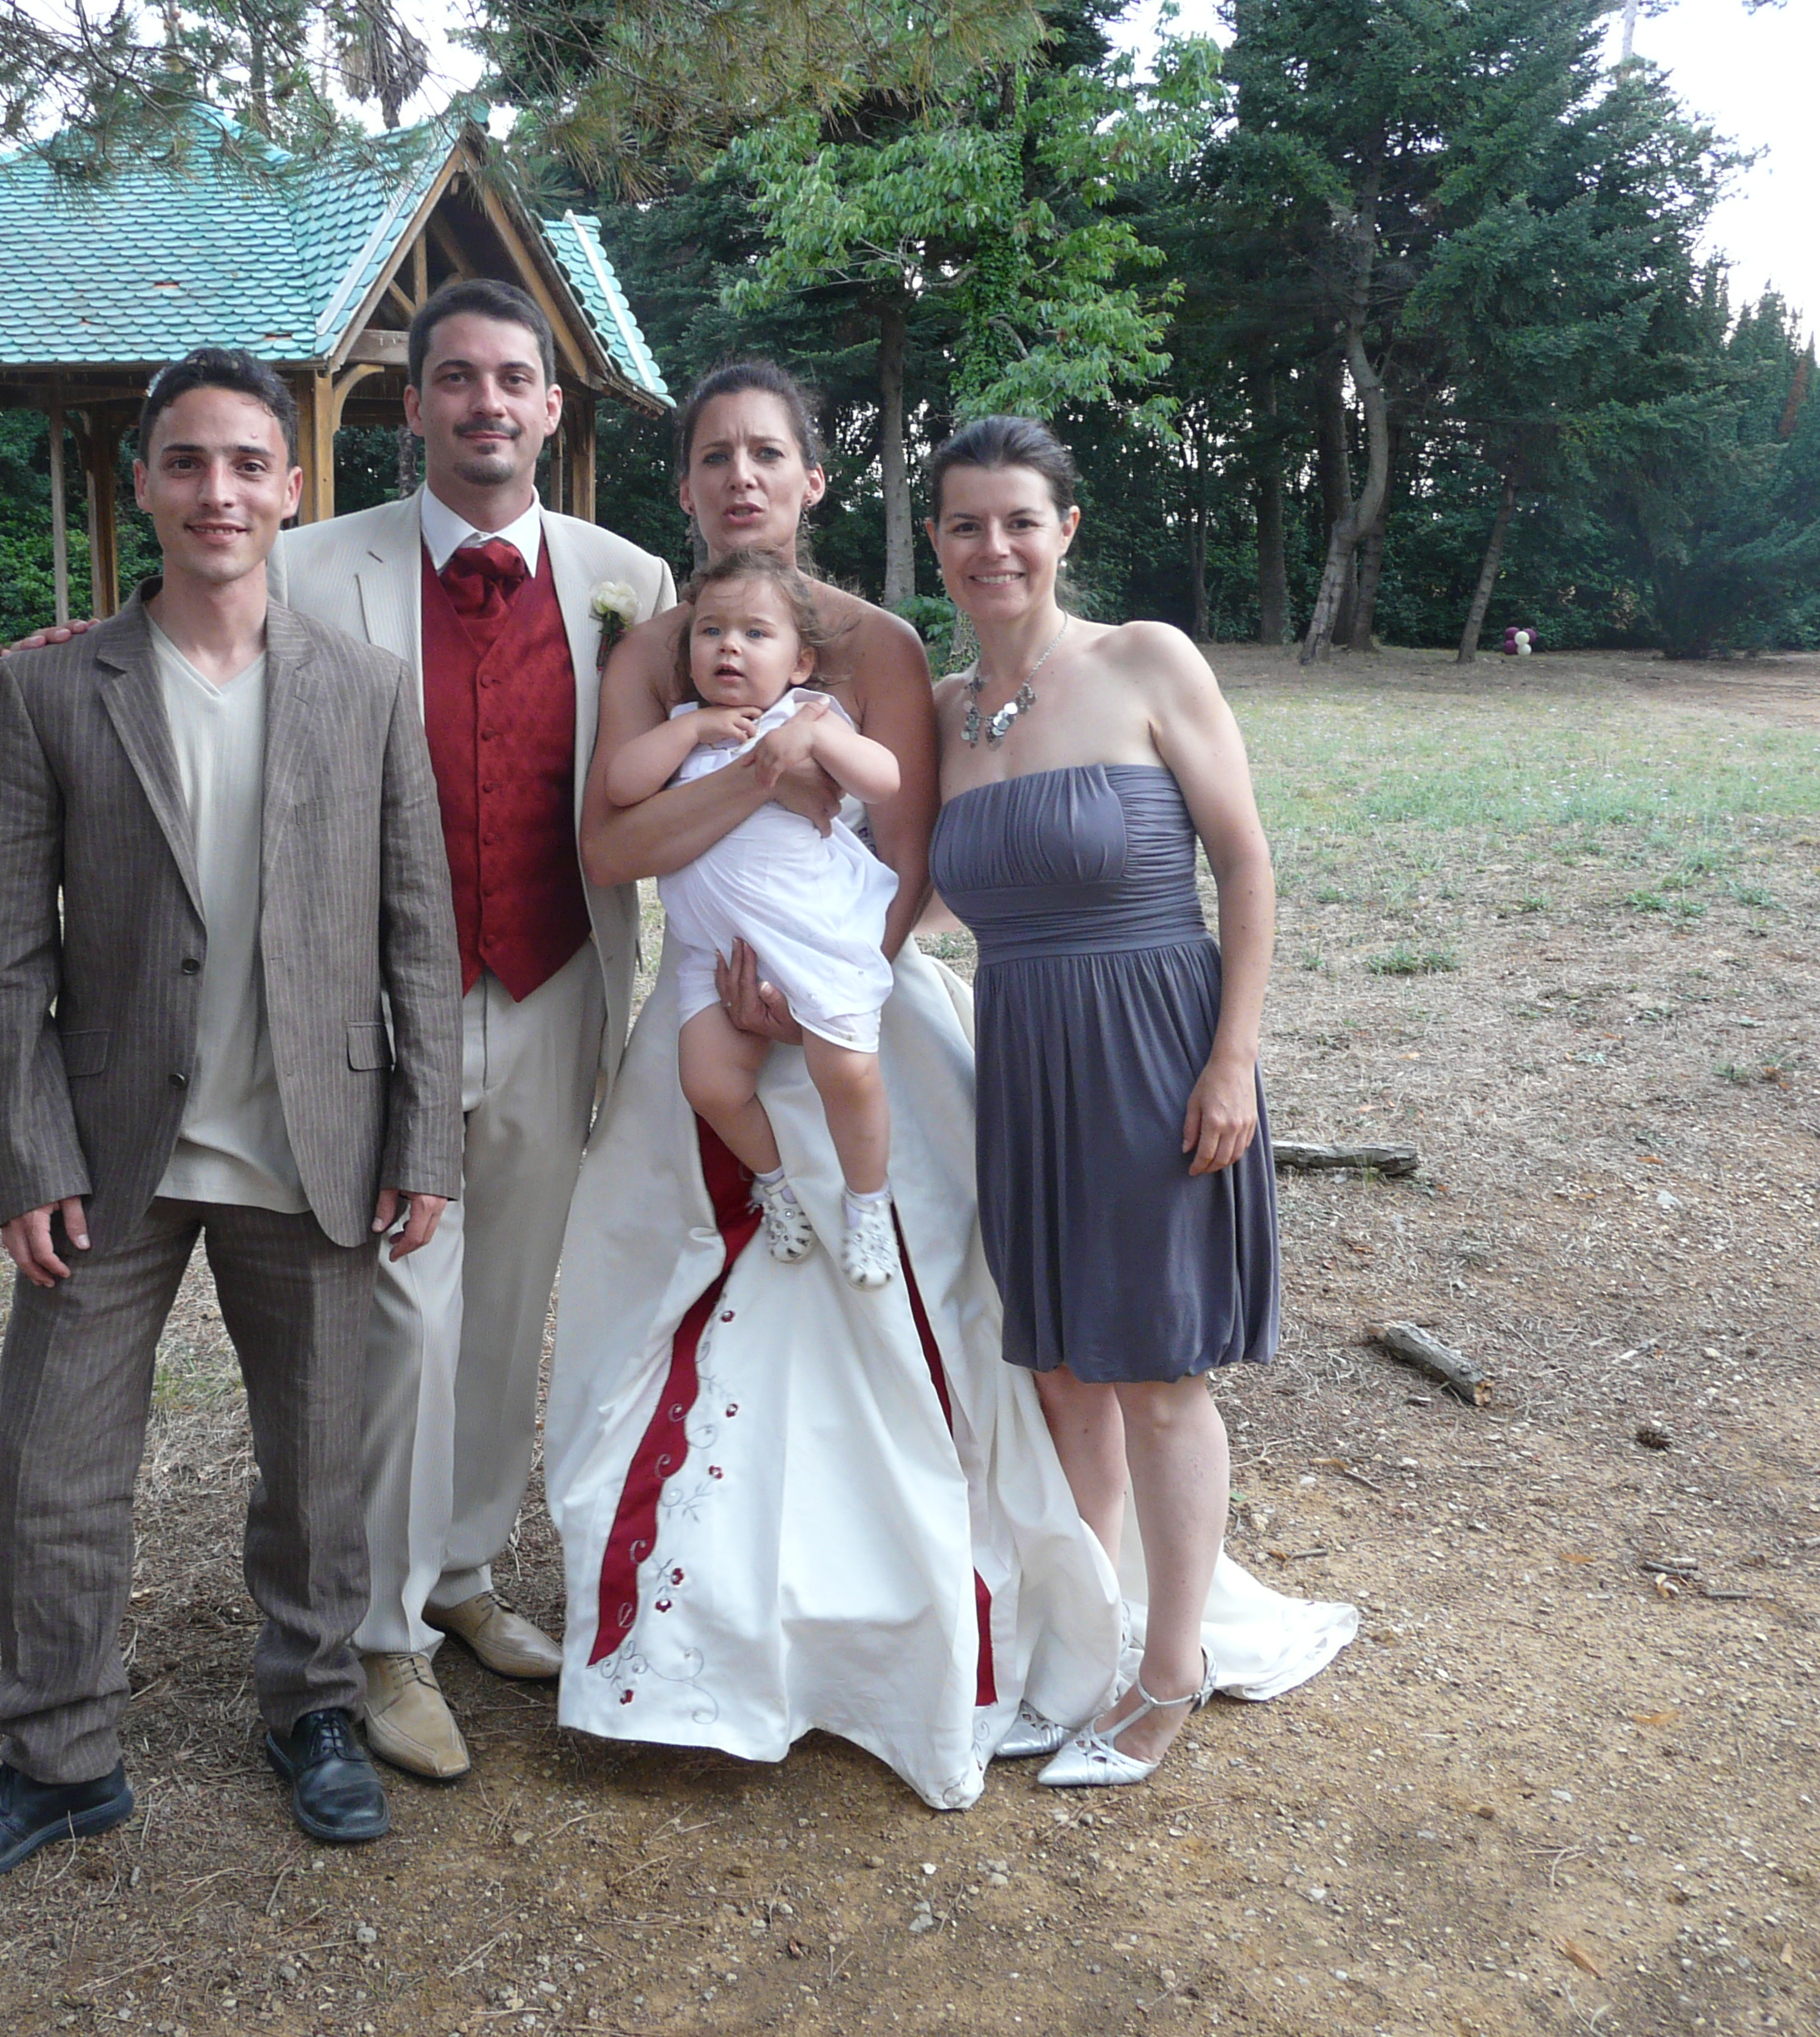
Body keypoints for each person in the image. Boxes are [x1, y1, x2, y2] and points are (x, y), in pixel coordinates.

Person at [547, 364, 1353, 1811]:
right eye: (715, 455)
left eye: (769, 452)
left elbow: (940, 861)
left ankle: (1135, 1657)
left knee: (1108, 1361)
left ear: (813, 480)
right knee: (1040, 1362)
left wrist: (830, 995)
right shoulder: (881, 692)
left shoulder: (987, 655)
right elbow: (673, 855)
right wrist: (759, 815)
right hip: (920, 1041)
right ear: (686, 485)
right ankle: (983, 1640)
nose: (741, 476)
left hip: (1019, 1026)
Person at [0, 348, 462, 1891]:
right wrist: (23, 1153)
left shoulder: (364, 688)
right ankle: (59, 1756)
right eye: (189, 462)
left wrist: (423, 1137)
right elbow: (8, 952)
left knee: (317, 1465)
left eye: (248, 464)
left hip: (312, 1144)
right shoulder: (47, 691)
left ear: (292, 488)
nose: (220, 491)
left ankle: (316, 1709)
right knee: (56, 1464)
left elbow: (418, 934)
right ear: (141, 482)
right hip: (107, 1160)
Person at [267, 280, 681, 1783]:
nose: (485, 402)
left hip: (560, 981)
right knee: (406, 1313)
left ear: (551, 409)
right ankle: (380, 1636)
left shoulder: (629, 578)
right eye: (456, 378)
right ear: (415, 403)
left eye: (513, 379)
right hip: (390, 1008)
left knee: (509, 1307)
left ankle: (459, 1570)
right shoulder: (312, 569)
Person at [925, 415, 1289, 1787]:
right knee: (1065, 1372)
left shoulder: (1144, 660)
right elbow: (914, 894)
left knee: (1156, 1374)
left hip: (1151, 1049)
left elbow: (1244, 865)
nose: (994, 546)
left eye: (1020, 519)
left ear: (1064, 529)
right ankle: (1085, 1644)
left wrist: (1231, 1058)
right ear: (936, 543)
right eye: (966, 524)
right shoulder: (946, 712)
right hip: (1021, 1058)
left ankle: (1168, 1672)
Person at [603, 548, 902, 1288]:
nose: (729, 646)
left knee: (848, 1072)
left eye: (755, 633)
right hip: (717, 953)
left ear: (801, 662)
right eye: (711, 631)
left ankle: (868, 1203)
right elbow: (620, 786)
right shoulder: (685, 726)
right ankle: (777, 1185)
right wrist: (690, 731)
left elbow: (885, 780)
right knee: (708, 1082)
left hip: (809, 941)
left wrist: (816, 737)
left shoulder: (811, 717)